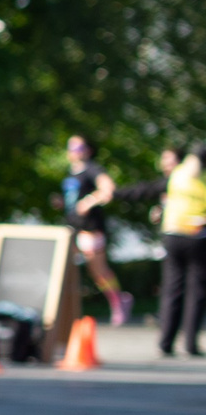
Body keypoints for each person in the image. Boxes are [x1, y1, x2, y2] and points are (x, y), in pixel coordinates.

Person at [59, 136, 132, 327]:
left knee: (99, 272)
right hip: (73, 228)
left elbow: (108, 189)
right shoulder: (70, 173)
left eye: (78, 147)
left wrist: (89, 202)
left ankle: (118, 300)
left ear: (87, 150)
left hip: (90, 229)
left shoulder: (92, 169)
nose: (74, 151)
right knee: (67, 271)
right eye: (71, 147)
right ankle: (68, 313)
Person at [156, 144, 206, 358]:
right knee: (197, 291)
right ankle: (190, 343)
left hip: (173, 234)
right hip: (197, 237)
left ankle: (166, 341)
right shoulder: (203, 178)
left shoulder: (177, 173)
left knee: (172, 289)